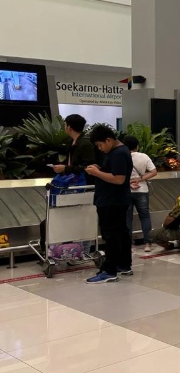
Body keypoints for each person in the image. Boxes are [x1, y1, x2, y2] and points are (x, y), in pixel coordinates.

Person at [85, 125, 133, 284]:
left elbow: (119, 179)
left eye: (100, 145)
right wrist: (101, 169)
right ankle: (123, 264)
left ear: (109, 140)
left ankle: (109, 270)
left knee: (111, 235)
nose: (100, 149)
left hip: (112, 201)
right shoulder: (119, 151)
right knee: (121, 233)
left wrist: (97, 173)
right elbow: (113, 172)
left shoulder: (119, 153)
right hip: (116, 200)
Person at [40, 114, 96, 247]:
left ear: (69, 127)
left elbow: (88, 166)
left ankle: (82, 249)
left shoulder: (85, 144)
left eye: (65, 125)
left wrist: (66, 168)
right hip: (71, 187)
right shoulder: (74, 142)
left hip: (82, 187)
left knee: (82, 218)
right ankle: (69, 248)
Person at [122, 136, 157, 253]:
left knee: (127, 218)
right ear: (137, 146)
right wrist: (140, 179)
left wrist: (129, 183)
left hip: (126, 191)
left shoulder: (122, 156)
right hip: (142, 190)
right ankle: (147, 243)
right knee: (145, 216)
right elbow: (153, 172)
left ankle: (130, 245)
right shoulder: (143, 156)